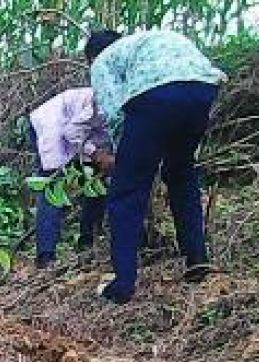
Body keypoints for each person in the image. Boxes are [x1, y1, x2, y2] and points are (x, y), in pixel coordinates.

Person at [87, 29, 226, 304]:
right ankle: (197, 262)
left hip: (156, 93)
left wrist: (122, 160)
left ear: (92, 56)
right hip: (202, 87)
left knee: (127, 193)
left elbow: (115, 113)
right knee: (181, 174)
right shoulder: (142, 43)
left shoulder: (103, 60)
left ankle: (122, 285)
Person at [27, 88, 111, 267]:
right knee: (53, 188)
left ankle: (87, 241)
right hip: (52, 127)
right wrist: (95, 154)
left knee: (95, 181)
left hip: (73, 130)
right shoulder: (102, 103)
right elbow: (71, 133)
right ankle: (46, 256)